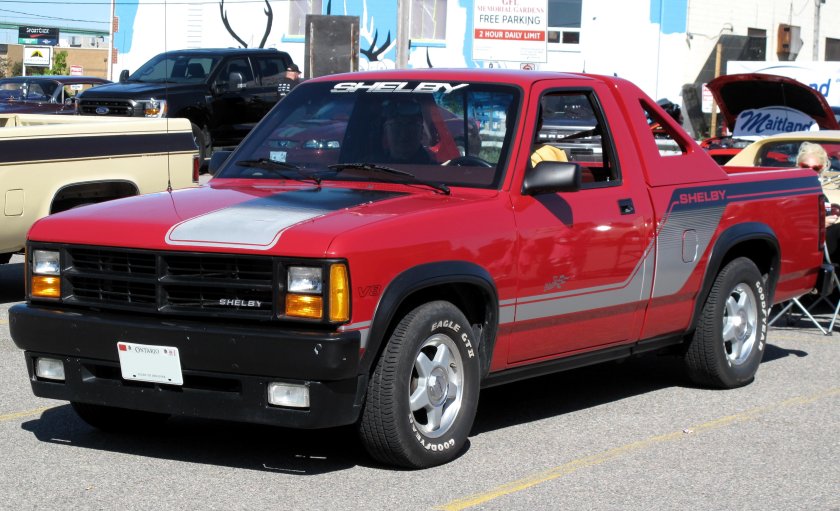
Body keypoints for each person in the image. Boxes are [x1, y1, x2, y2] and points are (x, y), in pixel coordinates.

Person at [798, 142, 840, 259]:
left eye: (815, 168)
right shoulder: (792, 191)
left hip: (821, 241)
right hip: (802, 242)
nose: (809, 171)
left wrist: (829, 219)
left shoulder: (820, 193)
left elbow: (826, 212)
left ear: (822, 169)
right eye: (805, 167)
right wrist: (819, 224)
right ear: (798, 165)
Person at [375, 99, 434, 164]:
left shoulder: (436, 168)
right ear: (386, 131)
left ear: (421, 132)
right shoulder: (372, 166)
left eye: (411, 126)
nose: (403, 134)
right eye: (397, 126)